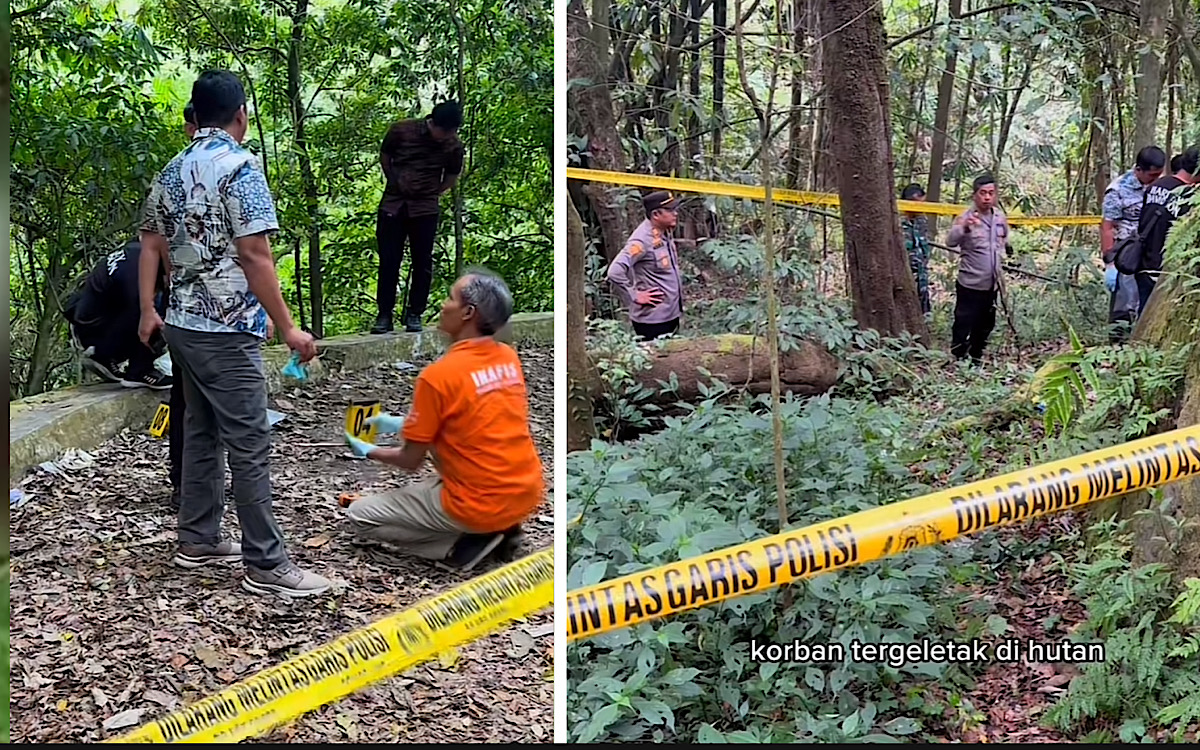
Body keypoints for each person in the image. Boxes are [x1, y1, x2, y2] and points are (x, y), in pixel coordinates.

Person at [138, 69, 330, 598]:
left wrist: (146, 310)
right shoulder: (242, 169)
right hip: (226, 330)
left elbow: (150, 243)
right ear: (241, 115)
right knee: (249, 441)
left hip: (182, 324)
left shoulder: (171, 170)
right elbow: (254, 253)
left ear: (194, 118)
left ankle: (197, 538)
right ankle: (266, 563)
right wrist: (288, 326)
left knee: (201, 431)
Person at [343, 268, 544, 572]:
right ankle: (499, 526)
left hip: (477, 502)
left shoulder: (437, 376)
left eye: (450, 298)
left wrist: (366, 450)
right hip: (524, 491)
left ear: (468, 312)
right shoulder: (507, 357)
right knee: (438, 482)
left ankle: (462, 545)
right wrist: (395, 423)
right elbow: (468, 419)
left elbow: (411, 460)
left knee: (360, 515)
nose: (442, 305)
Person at [372, 100, 465, 335]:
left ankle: (415, 313)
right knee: (389, 261)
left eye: (452, 132)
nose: (447, 136)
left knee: (422, 262)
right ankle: (384, 315)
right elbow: (385, 155)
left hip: (425, 208)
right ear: (433, 123)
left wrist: (433, 192)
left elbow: (452, 175)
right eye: (444, 131)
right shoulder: (402, 131)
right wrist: (394, 181)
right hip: (394, 204)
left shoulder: (453, 146)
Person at [62, 240, 174, 390]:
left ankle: (104, 357)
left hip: (89, 324)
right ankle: (139, 371)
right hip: (96, 332)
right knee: (158, 304)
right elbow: (142, 313)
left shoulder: (137, 250)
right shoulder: (138, 271)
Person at [945, 173, 1012, 365]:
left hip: (992, 284)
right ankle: (958, 356)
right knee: (964, 321)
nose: (987, 197)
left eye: (991, 193)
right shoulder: (965, 218)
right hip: (970, 283)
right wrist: (964, 228)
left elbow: (1005, 239)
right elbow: (950, 241)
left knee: (985, 325)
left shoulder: (999, 217)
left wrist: (1009, 251)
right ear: (975, 195)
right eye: (983, 193)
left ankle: (976, 357)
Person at [1101, 146, 1165, 341]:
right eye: (1152, 175)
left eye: (1158, 175)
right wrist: (1110, 263)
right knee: (1124, 304)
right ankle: (1117, 347)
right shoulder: (1118, 190)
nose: (1155, 179)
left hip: (1153, 253)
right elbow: (1107, 227)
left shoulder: (1160, 186)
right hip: (1128, 254)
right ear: (1139, 170)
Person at [606, 190, 684, 341]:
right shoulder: (641, 241)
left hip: (670, 314)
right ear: (656, 214)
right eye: (670, 210)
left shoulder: (664, 232)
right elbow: (615, 271)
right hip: (653, 320)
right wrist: (635, 295)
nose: (675, 213)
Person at [1133, 146, 1198, 313]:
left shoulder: (1156, 186)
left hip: (1144, 264)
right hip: (1167, 271)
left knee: (1144, 316)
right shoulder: (1189, 197)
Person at [900, 183, 933, 316]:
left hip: (921, 273)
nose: (920, 207)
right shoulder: (897, 222)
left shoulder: (922, 220)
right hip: (904, 275)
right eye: (917, 204)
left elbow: (924, 246)